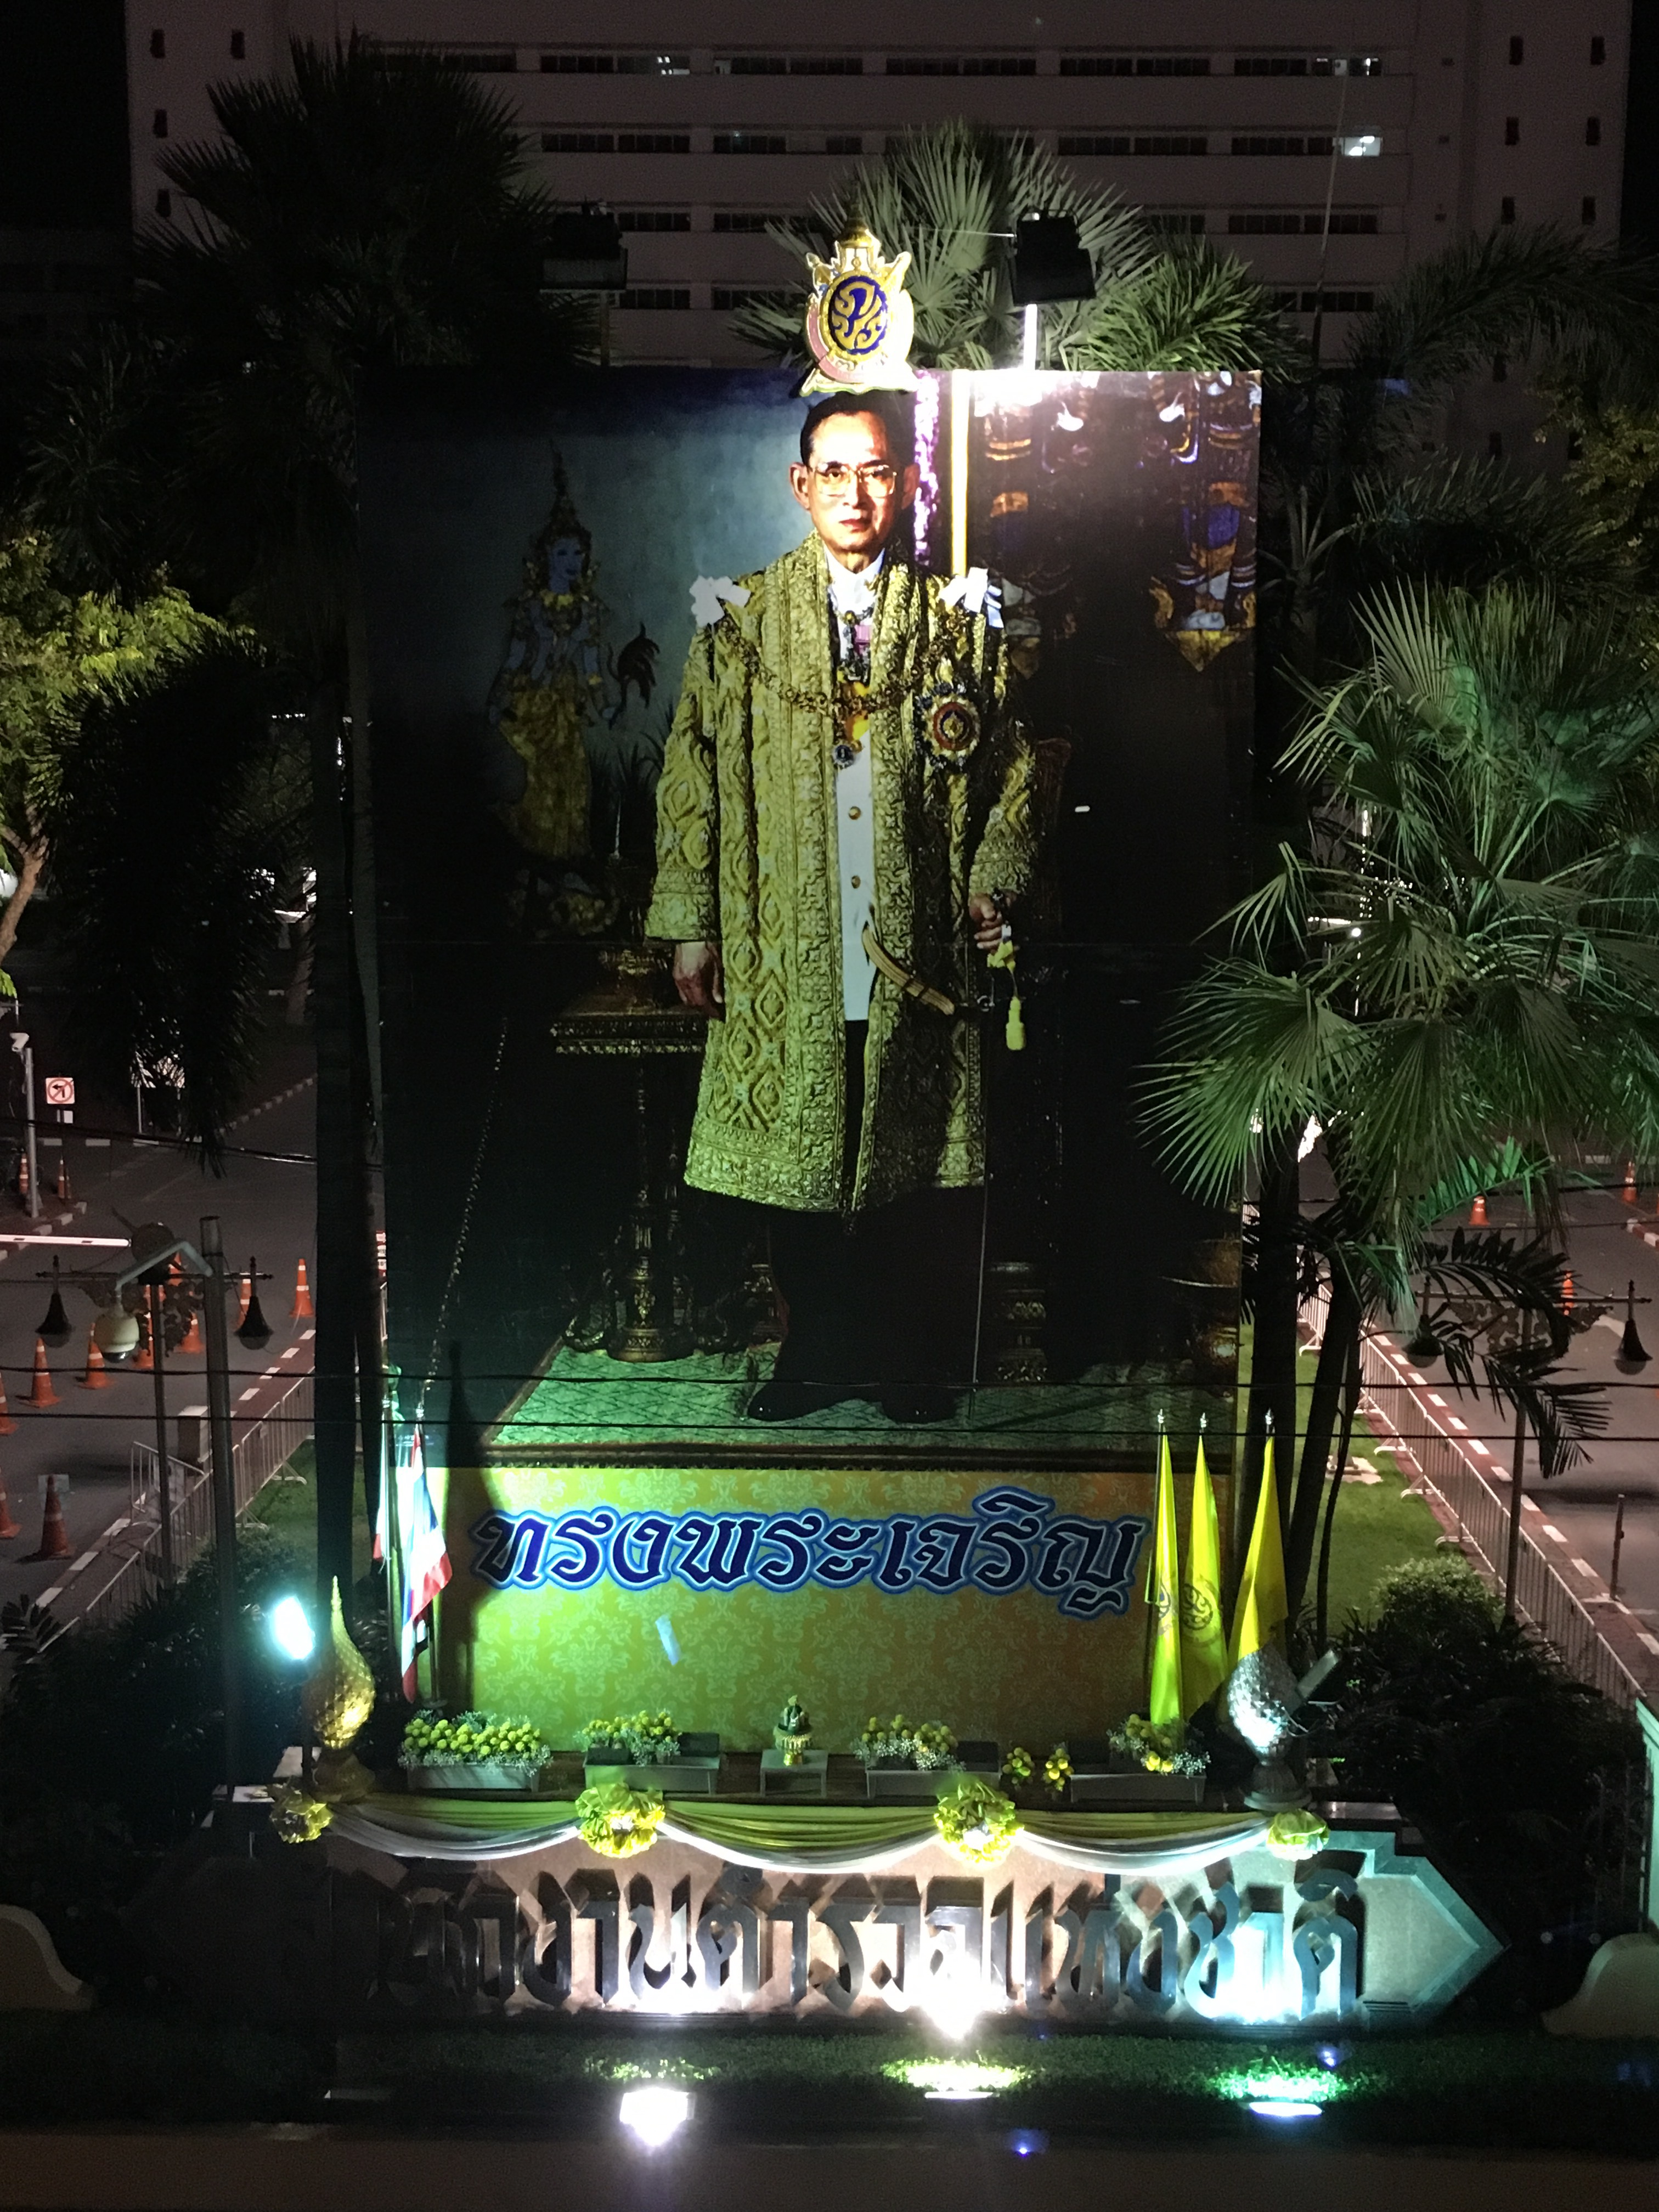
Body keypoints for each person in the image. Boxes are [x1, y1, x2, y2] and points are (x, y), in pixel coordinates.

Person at [645, 390, 1036, 1421]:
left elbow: (1010, 769)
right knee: (806, 1160)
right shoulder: (739, 623)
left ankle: (905, 1362)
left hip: (916, 947)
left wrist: (992, 878)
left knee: (909, 1157)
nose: (854, 494)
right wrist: (692, 922)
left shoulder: (954, 624)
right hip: (787, 944)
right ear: (800, 483)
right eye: (834, 472)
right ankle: (813, 1357)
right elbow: (690, 773)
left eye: (874, 472)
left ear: (901, 483)